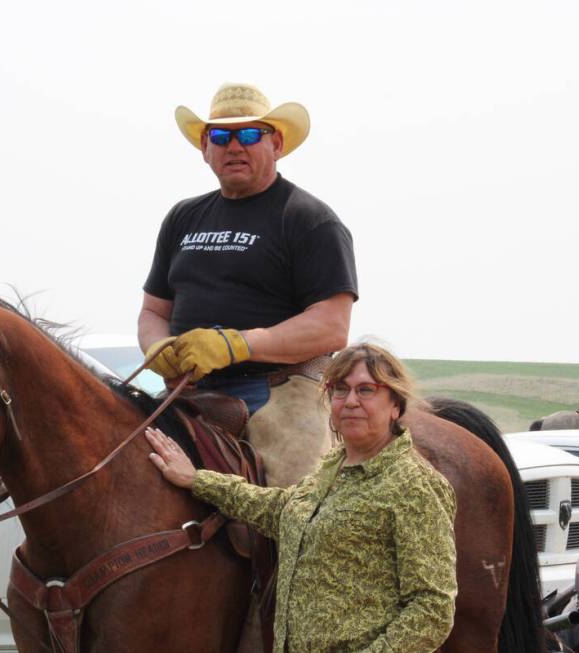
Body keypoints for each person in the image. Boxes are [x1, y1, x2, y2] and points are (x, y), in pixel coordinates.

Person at [145, 343, 458, 653]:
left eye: (366, 390)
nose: (350, 402)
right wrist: (196, 479)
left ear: (395, 406)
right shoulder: (333, 467)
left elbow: (432, 609)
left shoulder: (415, 486)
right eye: (340, 390)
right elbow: (280, 509)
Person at [138, 82, 358, 486]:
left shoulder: (309, 219)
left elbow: (332, 325)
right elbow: (154, 310)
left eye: (249, 134)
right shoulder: (182, 218)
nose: (234, 146)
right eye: (220, 136)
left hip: (280, 388)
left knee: (297, 504)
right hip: (186, 389)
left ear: (276, 142)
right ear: (205, 148)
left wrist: (236, 344)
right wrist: (158, 348)